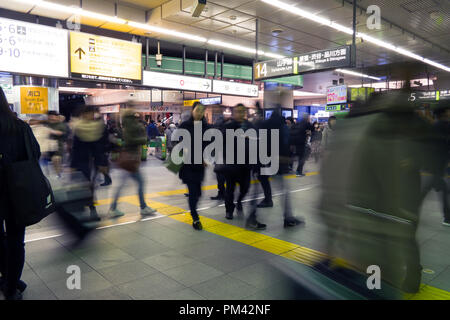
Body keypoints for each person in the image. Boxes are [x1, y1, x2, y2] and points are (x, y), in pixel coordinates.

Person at [0, 87, 39, 300]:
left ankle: (6, 277)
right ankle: (11, 285)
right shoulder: (20, 127)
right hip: (17, 191)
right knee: (16, 240)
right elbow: (35, 153)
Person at [108, 109, 157, 218]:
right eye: (135, 117)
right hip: (130, 160)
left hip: (130, 160)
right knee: (138, 182)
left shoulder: (127, 127)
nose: (137, 119)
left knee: (126, 184)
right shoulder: (130, 128)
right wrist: (143, 138)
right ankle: (142, 207)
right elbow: (135, 140)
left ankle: (115, 207)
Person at [177, 102, 210, 230]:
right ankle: (195, 217)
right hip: (188, 165)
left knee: (198, 194)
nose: (199, 113)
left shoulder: (206, 128)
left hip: (200, 166)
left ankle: (194, 210)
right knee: (193, 192)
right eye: (197, 110)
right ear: (192, 111)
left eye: (202, 111)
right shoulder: (185, 126)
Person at [70, 105, 105, 221]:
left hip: (92, 163)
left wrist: (101, 163)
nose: (91, 115)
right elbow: (75, 149)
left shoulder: (96, 128)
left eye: (92, 113)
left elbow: (98, 148)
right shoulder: (79, 127)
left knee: (89, 187)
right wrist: (73, 166)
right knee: (84, 187)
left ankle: (90, 210)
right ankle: (88, 210)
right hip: (80, 162)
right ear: (83, 114)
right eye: (88, 113)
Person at [221, 104, 255, 220]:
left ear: (244, 113)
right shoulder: (228, 126)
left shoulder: (250, 126)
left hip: (245, 164)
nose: (239, 114)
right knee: (229, 189)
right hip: (231, 163)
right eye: (237, 112)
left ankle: (239, 201)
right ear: (233, 113)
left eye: (242, 112)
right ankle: (229, 210)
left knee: (245, 188)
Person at [45, 111, 69, 177]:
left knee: (56, 159)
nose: (51, 117)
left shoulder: (61, 125)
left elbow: (63, 133)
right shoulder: (47, 124)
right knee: (53, 160)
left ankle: (59, 174)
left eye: (52, 116)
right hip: (49, 146)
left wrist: (52, 131)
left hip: (59, 146)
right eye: (49, 116)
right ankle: (58, 174)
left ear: (56, 116)